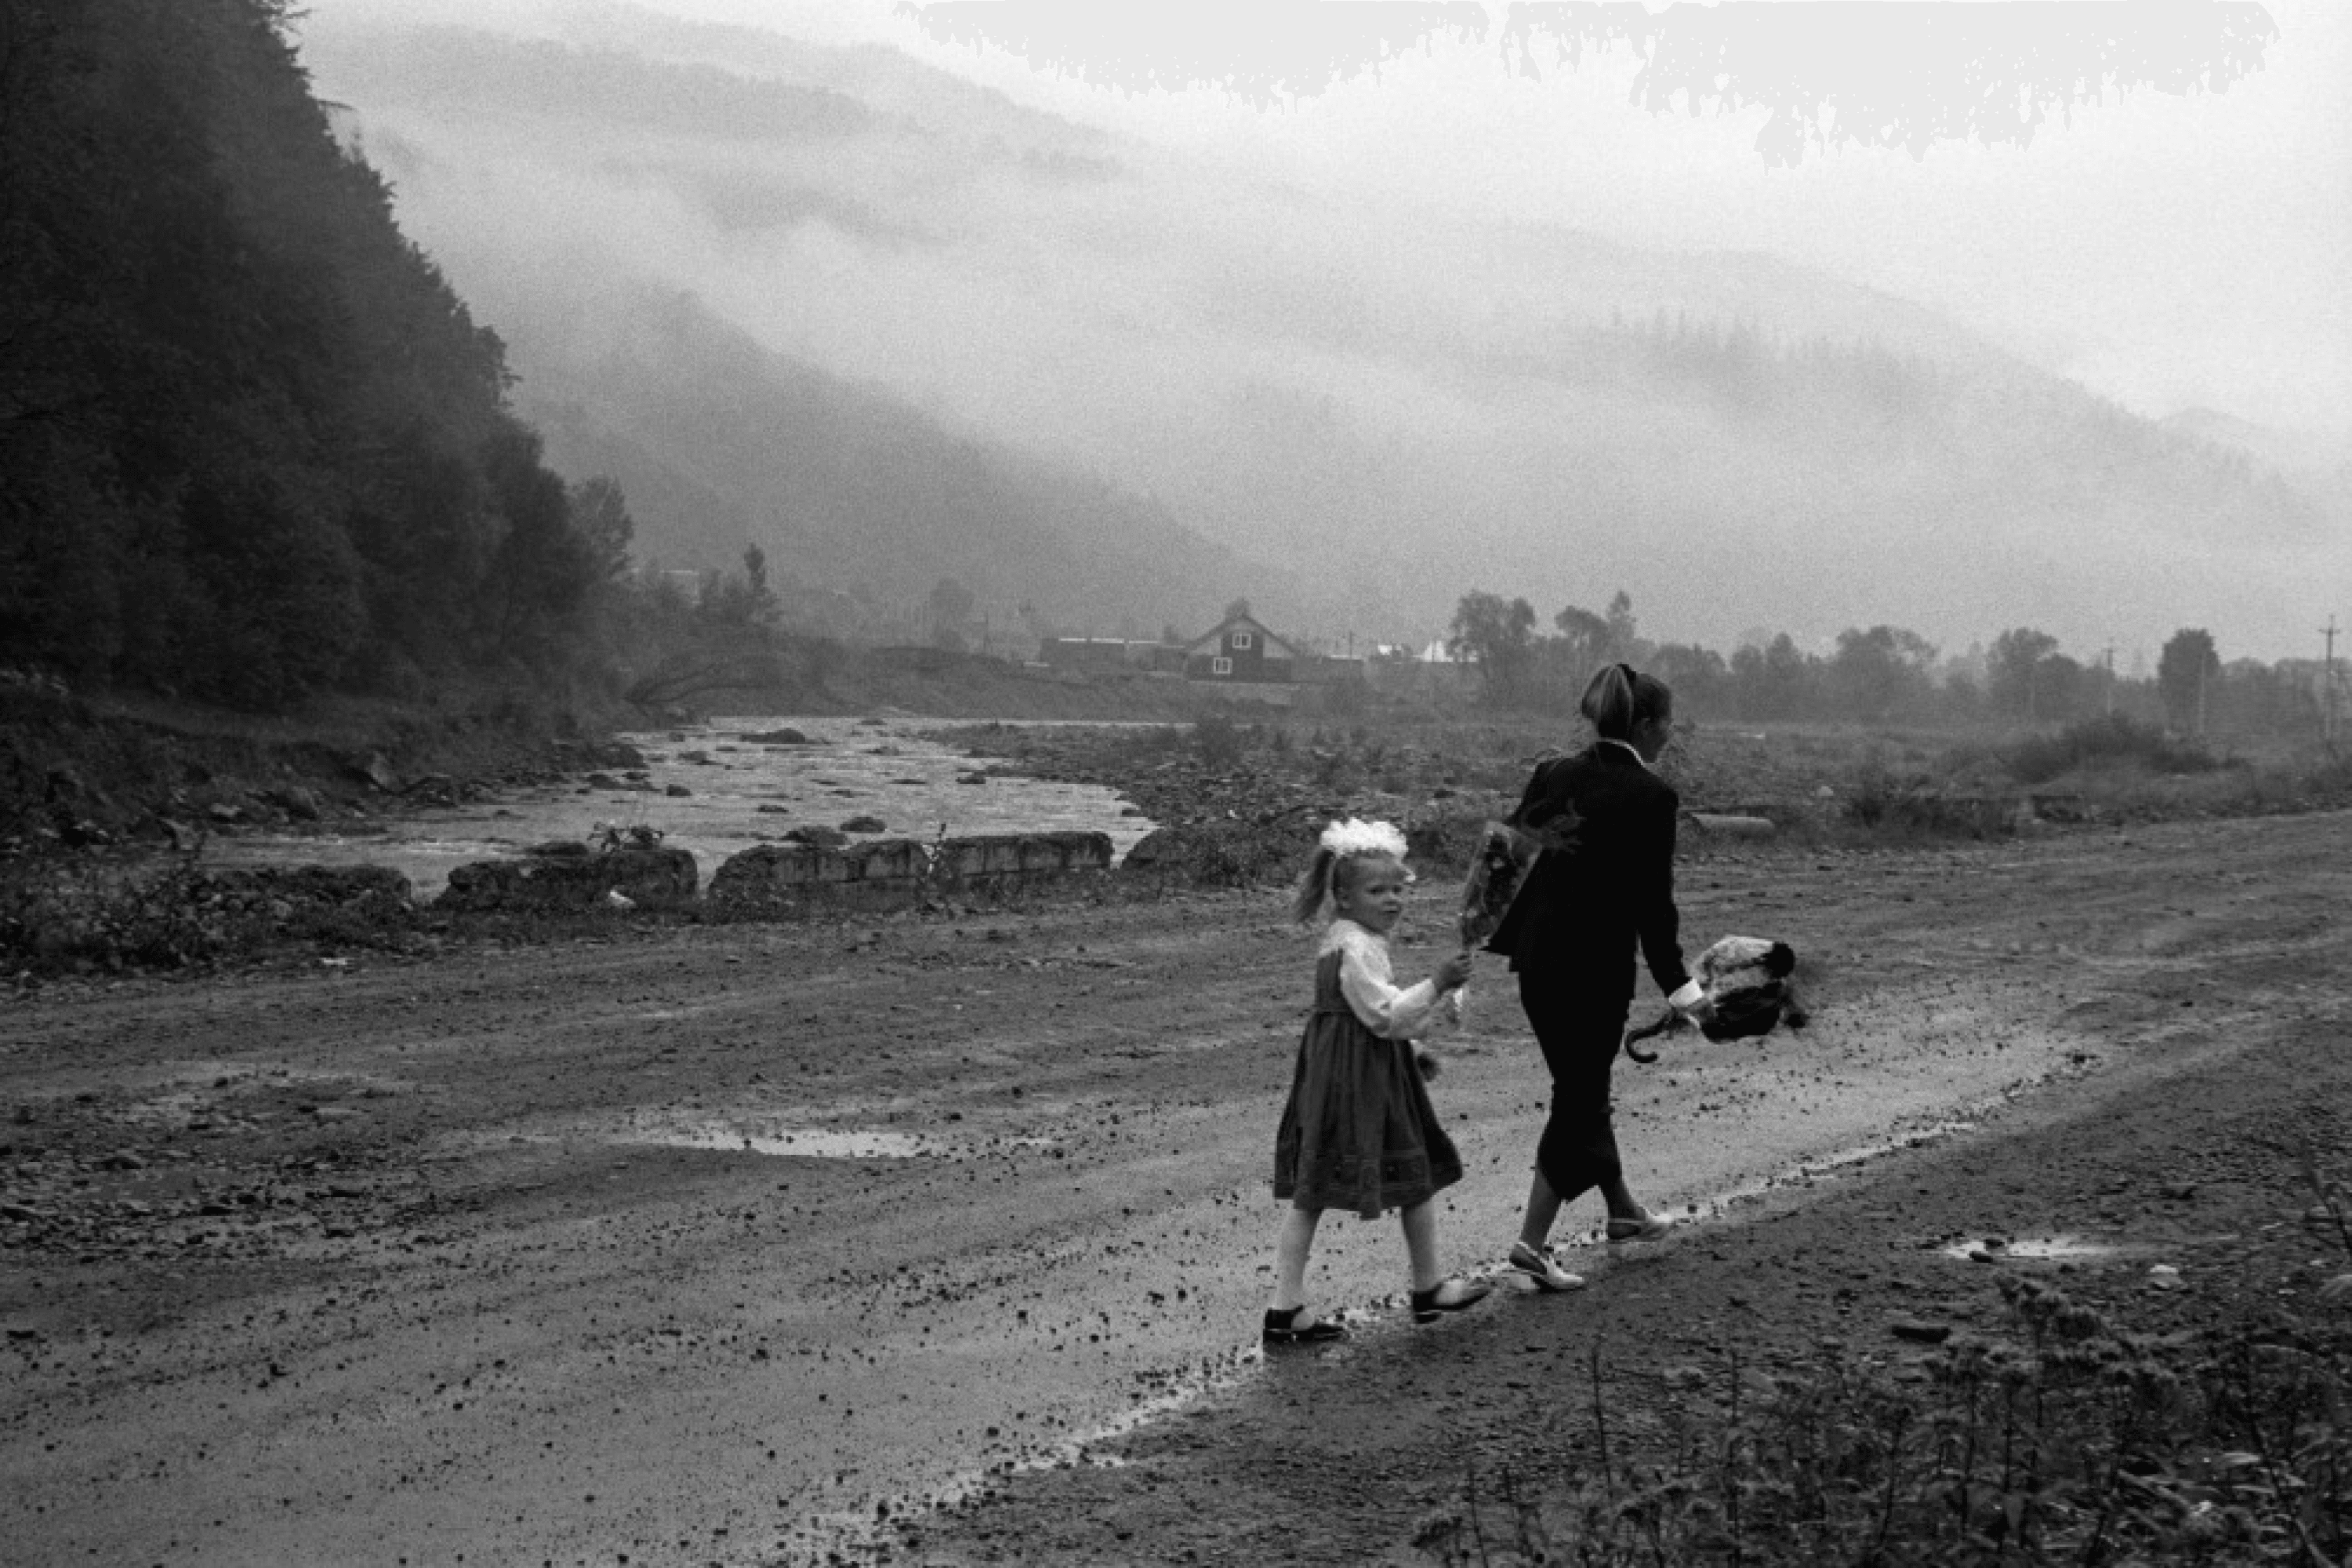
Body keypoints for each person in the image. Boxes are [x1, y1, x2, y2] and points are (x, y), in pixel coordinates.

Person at [1484, 664, 1711, 1293]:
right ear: (1644, 724)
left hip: (1537, 967)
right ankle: (1530, 1246)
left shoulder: (1554, 773)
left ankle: (1623, 1212)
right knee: (1578, 1097)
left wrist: (1472, 937)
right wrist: (1682, 989)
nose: (1671, 733)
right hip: (1594, 976)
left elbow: (1503, 853)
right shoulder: (1653, 797)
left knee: (1582, 1084)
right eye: (1667, 722)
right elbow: (1652, 905)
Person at [1263, 818, 1493, 1344]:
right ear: (1343, 896)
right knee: (1388, 1177)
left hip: (1357, 1065)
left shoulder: (1351, 938)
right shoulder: (1355, 948)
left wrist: (1413, 1049)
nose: (1392, 900)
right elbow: (1383, 1013)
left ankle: (1290, 1308)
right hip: (1358, 1076)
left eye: (1397, 888)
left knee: (1322, 1189)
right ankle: (1421, 1289)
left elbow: (1374, 1013)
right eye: (1376, 891)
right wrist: (1437, 984)